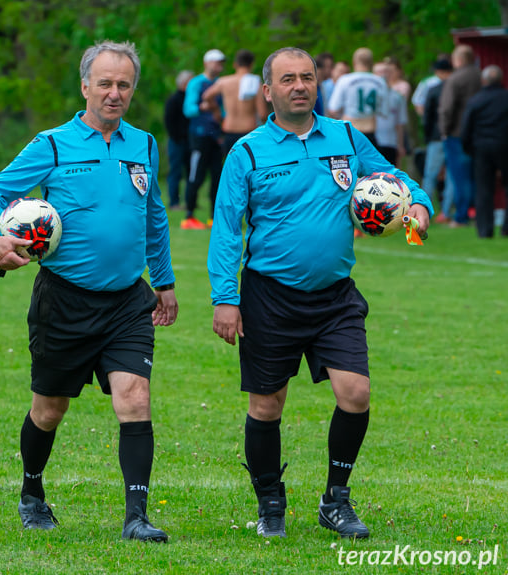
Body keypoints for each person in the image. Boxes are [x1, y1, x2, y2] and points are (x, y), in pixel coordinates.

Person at [208, 47, 432, 540]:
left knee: (356, 393)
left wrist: (418, 206)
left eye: (307, 77)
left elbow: (398, 180)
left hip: (335, 297)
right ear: (268, 91)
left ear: (317, 84)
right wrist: (225, 298)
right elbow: (226, 230)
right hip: (269, 296)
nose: (299, 85)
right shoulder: (246, 152)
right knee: (267, 406)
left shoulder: (348, 137)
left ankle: (336, 499)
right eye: (287, 79)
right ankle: (270, 503)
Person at [0, 40, 178, 542]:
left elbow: (154, 215)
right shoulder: (52, 144)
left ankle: (136, 517)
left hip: (129, 300)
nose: (114, 94)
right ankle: (32, 492)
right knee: (50, 408)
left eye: (123, 85)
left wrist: (165, 281)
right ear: (85, 86)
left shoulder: (144, 145)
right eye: (104, 84)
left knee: (135, 397)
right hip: (64, 299)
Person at [461, 65, 508, 238]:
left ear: (484, 80)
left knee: (483, 189)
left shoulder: (476, 100)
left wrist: (469, 149)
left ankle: (484, 230)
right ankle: (506, 228)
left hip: (481, 148)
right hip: (505, 146)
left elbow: (466, 128)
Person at [181, 49, 226, 229]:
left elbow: (224, 110)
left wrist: (220, 114)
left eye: (221, 62)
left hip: (217, 138)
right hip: (199, 137)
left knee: (217, 177)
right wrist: (203, 106)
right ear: (207, 63)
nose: (219, 66)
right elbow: (188, 109)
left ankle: (213, 217)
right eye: (216, 62)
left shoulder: (222, 84)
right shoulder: (197, 83)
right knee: (196, 176)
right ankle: (189, 216)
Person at [201, 49, 268, 165]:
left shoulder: (224, 82)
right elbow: (262, 114)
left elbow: (206, 96)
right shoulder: (255, 83)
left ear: (235, 64)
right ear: (252, 64)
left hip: (229, 130)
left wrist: (215, 109)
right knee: (250, 168)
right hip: (249, 131)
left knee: (232, 169)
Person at [439, 44, 481, 227]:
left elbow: (447, 109)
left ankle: (461, 215)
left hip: (457, 134)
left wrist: (444, 131)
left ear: (459, 60)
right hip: (481, 134)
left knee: (460, 177)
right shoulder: (482, 77)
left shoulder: (455, 79)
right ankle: (479, 212)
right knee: (479, 176)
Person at [328, 47, 388, 145]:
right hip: (370, 132)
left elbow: (333, 109)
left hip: (350, 131)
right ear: (371, 63)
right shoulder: (380, 82)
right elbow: (384, 112)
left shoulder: (345, 80)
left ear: (354, 62)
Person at [421, 59, 455, 221]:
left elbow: (427, 117)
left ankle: (424, 209)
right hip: (455, 137)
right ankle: (446, 212)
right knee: (452, 176)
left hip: (436, 137)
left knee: (430, 175)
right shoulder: (458, 89)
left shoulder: (434, 89)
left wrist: (427, 136)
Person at [164, 69, 194, 209]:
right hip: (177, 142)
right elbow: (169, 122)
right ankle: (174, 202)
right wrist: (177, 138)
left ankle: (190, 202)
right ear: (183, 83)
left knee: (191, 173)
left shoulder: (191, 99)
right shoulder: (174, 99)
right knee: (175, 172)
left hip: (190, 142)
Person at [373, 62, 408, 167]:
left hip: (390, 143)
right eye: (379, 72)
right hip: (372, 142)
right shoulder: (369, 96)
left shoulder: (397, 97)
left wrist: (400, 145)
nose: (383, 75)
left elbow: (400, 124)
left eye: (386, 72)